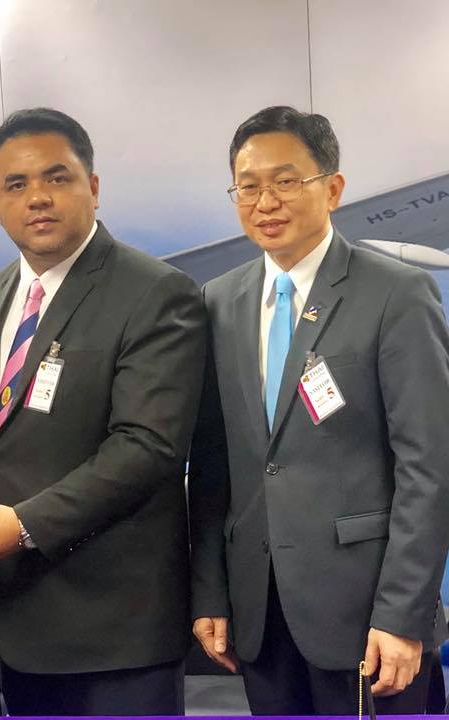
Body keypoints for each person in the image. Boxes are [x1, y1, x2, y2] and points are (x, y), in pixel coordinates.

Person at [0, 107, 207, 715]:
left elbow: (148, 446)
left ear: (93, 185)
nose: (38, 197)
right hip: (19, 619)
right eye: (16, 184)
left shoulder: (155, 291)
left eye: (57, 177)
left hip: (116, 627)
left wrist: (22, 525)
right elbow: (3, 435)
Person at [189, 105, 449, 714]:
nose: (266, 202)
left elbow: (430, 467)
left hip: (368, 614)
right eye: (248, 186)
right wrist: (210, 592)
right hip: (259, 612)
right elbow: (211, 464)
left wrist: (402, 614)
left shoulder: (396, 294)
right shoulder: (218, 301)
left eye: (286, 181)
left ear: (332, 188)